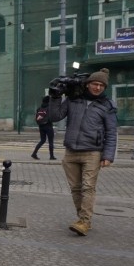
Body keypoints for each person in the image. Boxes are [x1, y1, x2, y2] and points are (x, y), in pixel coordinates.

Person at [48, 68, 117, 236]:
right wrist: (56, 97)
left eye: (102, 85)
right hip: (71, 151)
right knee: (76, 188)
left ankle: (85, 222)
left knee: (88, 187)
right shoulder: (74, 100)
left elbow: (111, 132)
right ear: (88, 84)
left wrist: (108, 155)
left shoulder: (106, 105)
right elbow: (55, 116)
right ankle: (82, 219)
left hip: (92, 152)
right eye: (95, 83)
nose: (98, 87)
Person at [32, 96, 56, 160]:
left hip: (41, 126)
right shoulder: (49, 108)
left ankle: (34, 153)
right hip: (48, 126)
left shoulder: (39, 108)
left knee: (42, 140)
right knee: (51, 141)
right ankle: (51, 156)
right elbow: (52, 117)